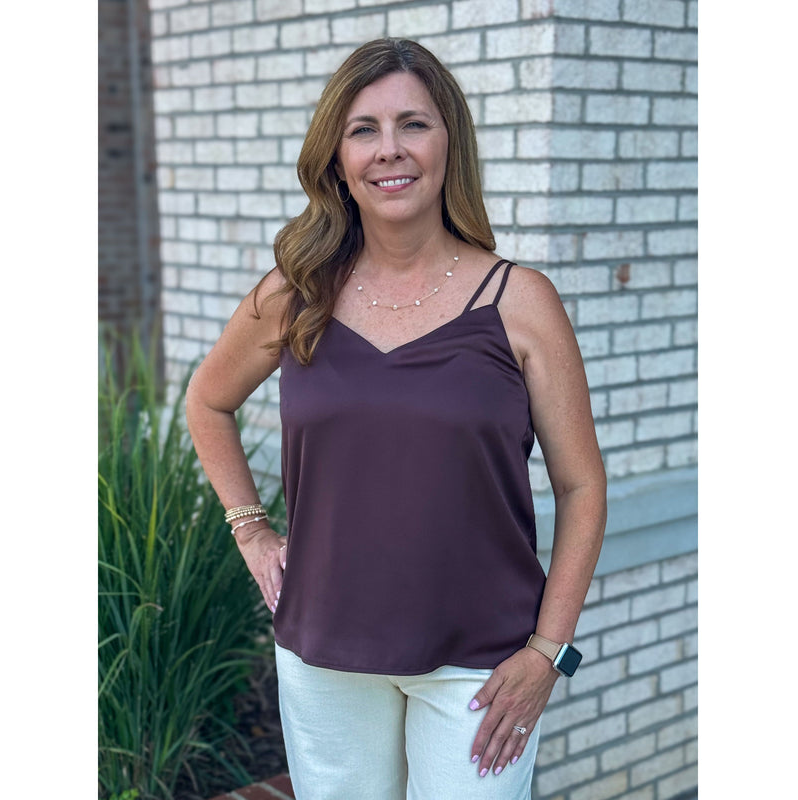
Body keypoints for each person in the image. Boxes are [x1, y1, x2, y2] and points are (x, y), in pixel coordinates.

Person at [186, 38, 606, 800]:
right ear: (337, 158)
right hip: (323, 652)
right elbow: (206, 400)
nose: (390, 150)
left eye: (413, 124)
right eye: (363, 129)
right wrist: (250, 527)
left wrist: (550, 651)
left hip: (481, 665)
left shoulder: (520, 302)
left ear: (450, 141)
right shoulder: (296, 291)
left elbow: (582, 487)